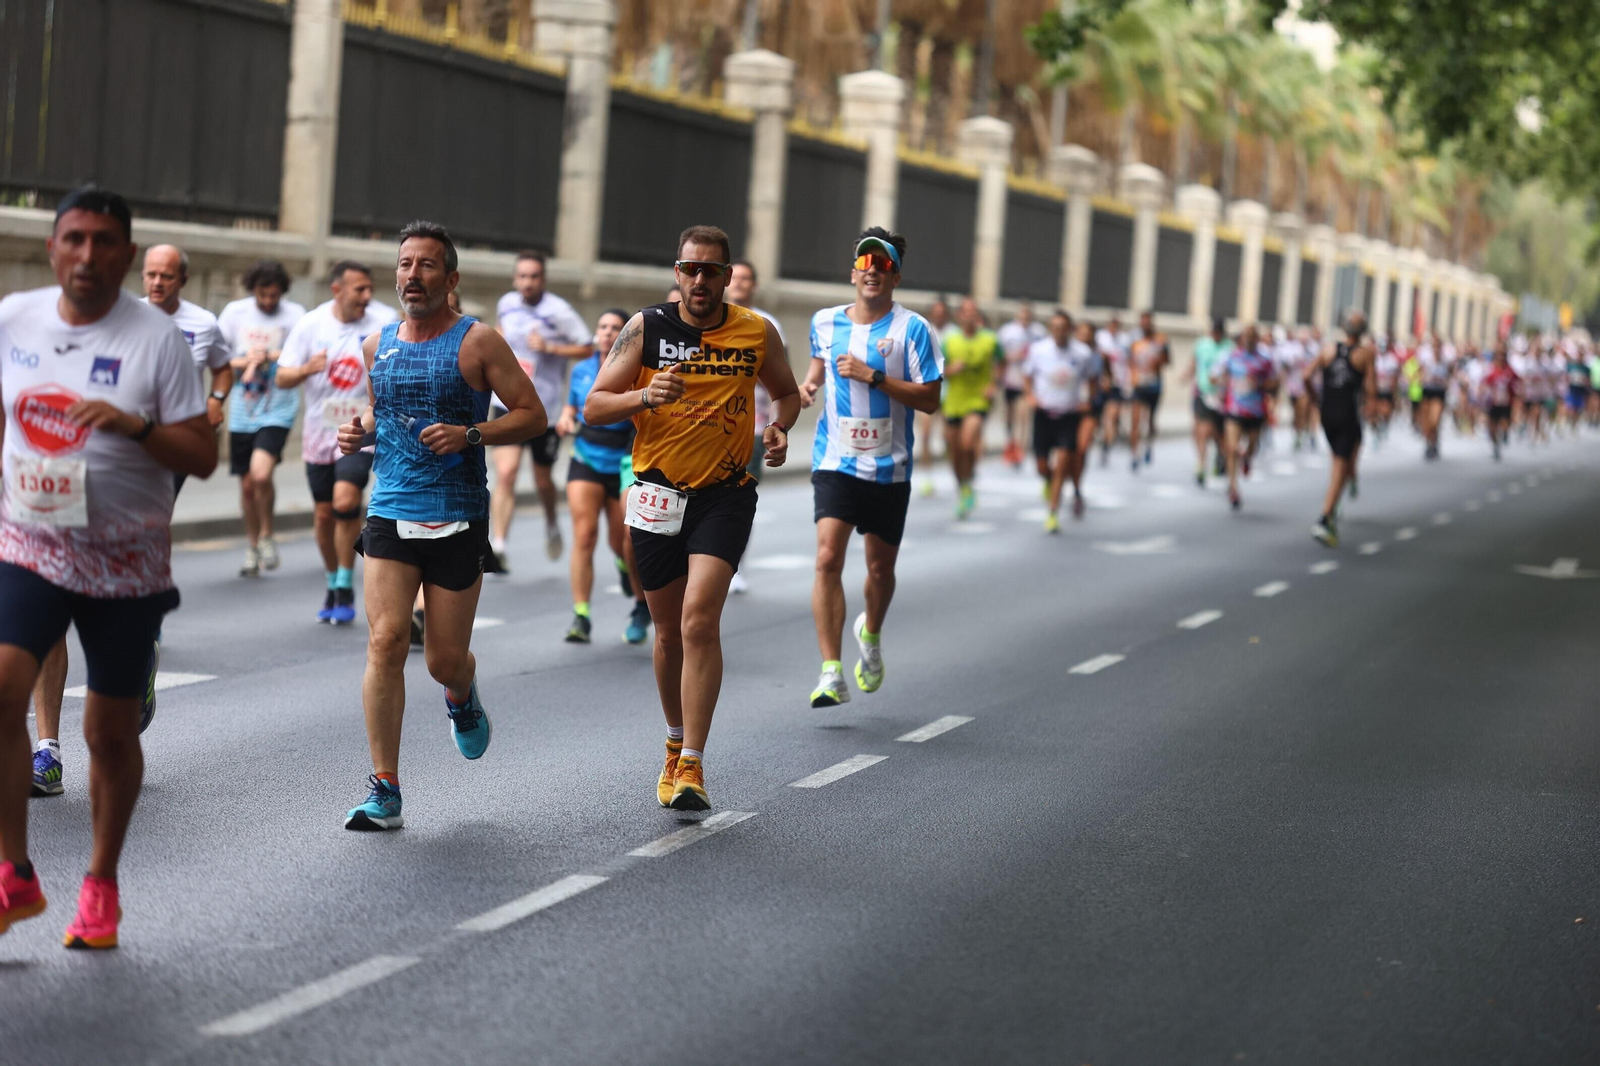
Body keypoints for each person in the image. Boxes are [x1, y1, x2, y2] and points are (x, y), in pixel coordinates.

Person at [0, 186, 216, 948]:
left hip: (125, 563)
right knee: (2, 690)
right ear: (53, 247)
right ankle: (15, 875)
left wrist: (134, 425)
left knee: (110, 734)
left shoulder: (157, 343)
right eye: (74, 239)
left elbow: (202, 454)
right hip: (32, 544)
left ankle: (99, 883)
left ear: (126, 255)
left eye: (103, 242)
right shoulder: (14, 320)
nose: (87, 255)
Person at [584, 224, 801, 812]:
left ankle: (693, 765)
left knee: (699, 620)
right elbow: (594, 405)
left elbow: (786, 395)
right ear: (676, 274)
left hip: (724, 493)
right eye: (690, 269)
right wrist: (643, 397)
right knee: (667, 631)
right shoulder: (645, 329)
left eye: (712, 271)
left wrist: (779, 427)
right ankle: (674, 739)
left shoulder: (756, 332)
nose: (700, 280)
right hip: (655, 491)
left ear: (728, 277)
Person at [339, 221, 546, 831]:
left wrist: (471, 434)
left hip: (457, 513)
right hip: (391, 507)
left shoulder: (478, 342)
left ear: (450, 279)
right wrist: (362, 433)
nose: (413, 275)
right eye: (405, 264)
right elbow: (388, 415)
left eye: (427, 265)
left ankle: (462, 694)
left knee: (443, 660)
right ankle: (385, 788)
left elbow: (533, 415)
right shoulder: (378, 345)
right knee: (385, 642)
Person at [797, 228, 941, 708]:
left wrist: (874, 376)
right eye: (865, 263)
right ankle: (831, 671)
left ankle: (871, 635)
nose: (872, 271)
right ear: (853, 272)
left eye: (883, 265)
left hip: (889, 468)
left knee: (879, 570)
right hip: (835, 459)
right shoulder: (824, 322)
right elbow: (817, 370)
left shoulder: (913, 329)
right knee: (826, 558)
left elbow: (932, 399)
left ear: (895, 276)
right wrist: (806, 388)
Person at [276, 260, 397, 624]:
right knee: (324, 512)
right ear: (337, 290)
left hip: (361, 426)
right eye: (359, 289)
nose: (367, 296)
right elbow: (282, 377)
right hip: (318, 433)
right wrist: (303, 370)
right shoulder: (311, 325)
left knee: (346, 500)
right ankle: (333, 579)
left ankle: (346, 582)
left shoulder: (384, 320)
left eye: (369, 289)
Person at [490, 251, 590, 571]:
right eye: (522, 276)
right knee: (505, 474)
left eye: (534, 276)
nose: (527, 282)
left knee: (543, 480)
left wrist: (551, 348)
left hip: (543, 408)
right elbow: (500, 330)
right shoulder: (507, 304)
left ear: (543, 279)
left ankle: (550, 521)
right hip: (505, 402)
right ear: (515, 278)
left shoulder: (560, 312)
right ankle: (499, 545)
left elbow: (587, 347)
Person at [556, 308, 650, 644]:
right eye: (603, 326)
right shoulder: (582, 370)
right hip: (586, 458)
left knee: (624, 541)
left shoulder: (635, 372)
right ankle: (581, 614)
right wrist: (566, 419)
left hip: (624, 462)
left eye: (615, 328)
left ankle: (640, 599)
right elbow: (571, 406)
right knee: (584, 535)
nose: (608, 332)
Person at [219, 260, 306, 577]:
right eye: (262, 295)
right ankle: (253, 546)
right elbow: (221, 359)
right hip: (244, 408)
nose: (268, 301)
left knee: (260, 474)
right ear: (252, 289)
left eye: (273, 295)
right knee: (245, 486)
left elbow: (300, 357)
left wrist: (272, 355)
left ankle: (268, 535)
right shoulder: (234, 313)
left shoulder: (295, 315)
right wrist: (246, 360)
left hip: (279, 406)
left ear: (282, 292)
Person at [724, 259, 786, 595]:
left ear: (754, 285)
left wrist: (780, 425)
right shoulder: (710, 319)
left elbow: (783, 380)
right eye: (737, 277)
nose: (741, 284)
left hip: (754, 426)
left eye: (748, 278)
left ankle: (735, 563)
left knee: (739, 499)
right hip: (709, 424)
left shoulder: (767, 324)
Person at [1023, 310, 1100, 530]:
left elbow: (1093, 379)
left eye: (1062, 328)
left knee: (1062, 463)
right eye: (1054, 327)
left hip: (1068, 415)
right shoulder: (1039, 350)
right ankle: (1047, 481)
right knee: (1042, 466)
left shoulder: (1082, 353)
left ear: (1070, 329)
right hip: (1044, 414)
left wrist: (1089, 400)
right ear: (1050, 329)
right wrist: (1030, 396)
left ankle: (1052, 513)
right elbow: (1028, 376)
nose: (1059, 332)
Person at [1308, 312, 1376, 546]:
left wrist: (1315, 398)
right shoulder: (1365, 355)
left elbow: (1307, 375)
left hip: (1327, 413)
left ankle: (1333, 506)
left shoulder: (1328, 350)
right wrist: (1371, 408)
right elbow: (1371, 388)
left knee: (1341, 459)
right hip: (1348, 415)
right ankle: (1325, 517)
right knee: (1341, 463)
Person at [941, 297, 996, 519]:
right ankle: (963, 486)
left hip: (977, 400)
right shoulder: (950, 341)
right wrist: (951, 369)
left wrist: (993, 384)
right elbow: (936, 368)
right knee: (954, 453)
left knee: (967, 443)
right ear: (959, 316)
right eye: (966, 312)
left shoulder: (990, 340)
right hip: (954, 402)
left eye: (974, 312)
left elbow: (1001, 363)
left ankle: (970, 476)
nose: (970, 316)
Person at [1214, 324, 1277, 511]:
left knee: (1251, 447)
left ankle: (1247, 457)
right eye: (1246, 336)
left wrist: (1259, 383)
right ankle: (1233, 487)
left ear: (1257, 339)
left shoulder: (1265, 359)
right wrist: (1223, 383)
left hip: (1256, 412)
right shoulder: (1231, 356)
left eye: (1252, 337)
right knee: (1232, 448)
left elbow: (1275, 382)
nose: (1249, 340)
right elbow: (1214, 376)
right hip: (1234, 410)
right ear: (1241, 339)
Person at [916, 296, 958, 496]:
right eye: (936, 313)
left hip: (950, 393)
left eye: (942, 314)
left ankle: (955, 473)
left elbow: (959, 364)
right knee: (925, 434)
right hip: (927, 389)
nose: (939, 317)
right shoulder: (924, 330)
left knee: (948, 437)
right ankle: (927, 477)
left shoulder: (954, 334)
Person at [996, 302, 1044, 468]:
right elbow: (999, 357)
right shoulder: (1007, 332)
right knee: (1010, 417)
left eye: (1028, 317)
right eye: (1022, 317)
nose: (1025, 320)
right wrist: (1013, 357)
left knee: (1023, 415)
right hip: (1010, 379)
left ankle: (1020, 450)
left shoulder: (1038, 333)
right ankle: (1011, 441)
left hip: (1027, 381)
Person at [1187, 317, 1230, 487]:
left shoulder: (1230, 348)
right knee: (1201, 430)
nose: (1216, 335)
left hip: (1221, 398)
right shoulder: (1202, 345)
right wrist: (1186, 377)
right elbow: (1194, 364)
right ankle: (1201, 464)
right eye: (1214, 332)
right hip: (1202, 393)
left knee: (1219, 434)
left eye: (1219, 332)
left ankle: (1220, 455)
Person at [1126, 311, 1169, 472]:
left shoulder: (1161, 340)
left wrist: (1157, 361)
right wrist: (1130, 378)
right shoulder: (1134, 341)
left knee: (1150, 420)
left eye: (1148, 321)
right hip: (1139, 385)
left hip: (1154, 385)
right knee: (1135, 420)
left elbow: (1167, 360)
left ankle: (1148, 445)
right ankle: (1134, 453)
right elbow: (1130, 361)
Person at [1095, 314, 1131, 465]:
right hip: (1101, 383)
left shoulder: (1125, 340)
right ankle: (1104, 438)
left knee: (1112, 416)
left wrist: (1129, 382)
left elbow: (1130, 361)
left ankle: (1106, 446)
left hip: (1117, 384)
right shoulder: (1100, 338)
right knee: (1101, 418)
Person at [1482, 342, 1519, 461]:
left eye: (1503, 356)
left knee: (1504, 423)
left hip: (1505, 403)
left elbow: (1518, 383)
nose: (1501, 358)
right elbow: (1483, 384)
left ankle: (1504, 433)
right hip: (1493, 403)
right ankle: (1495, 445)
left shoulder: (1510, 371)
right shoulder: (1491, 369)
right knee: (1491, 428)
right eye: (1498, 356)